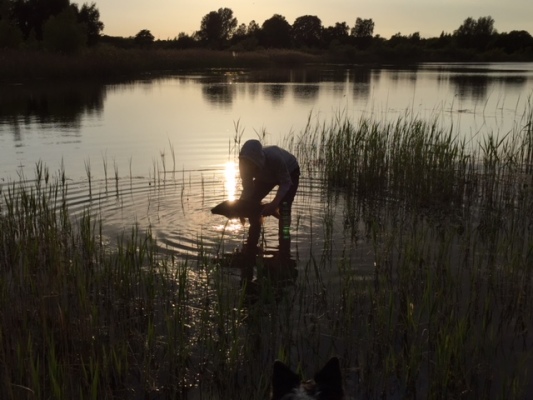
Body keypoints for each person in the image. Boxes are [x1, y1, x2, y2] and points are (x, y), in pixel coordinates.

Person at [238, 139, 300, 257]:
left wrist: (274, 204)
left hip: (290, 171)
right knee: (252, 201)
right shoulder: (244, 165)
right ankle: (255, 229)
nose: (248, 166)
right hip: (266, 177)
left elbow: (286, 182)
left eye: (251, 164)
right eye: (246, 162)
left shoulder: (274, 157)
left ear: (257, 160)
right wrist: (242, 207)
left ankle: (284, 239)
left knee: (285, 207)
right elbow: (248, 188)